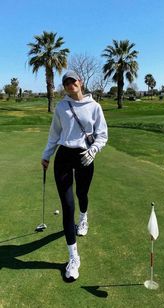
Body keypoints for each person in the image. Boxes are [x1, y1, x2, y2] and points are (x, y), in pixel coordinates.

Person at [41, 70, 108, 280]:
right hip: (63, 157)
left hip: (85, 155)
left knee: (82, 194)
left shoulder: (94, 107)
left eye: (73, 81)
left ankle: (84, 217)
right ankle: (73, 258)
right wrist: (46, 155)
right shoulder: (61, 107)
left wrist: (94, 150)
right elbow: (55, 133)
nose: (70, 85)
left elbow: (102, 135)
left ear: (81, 82)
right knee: (67, 206)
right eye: (66, 82)